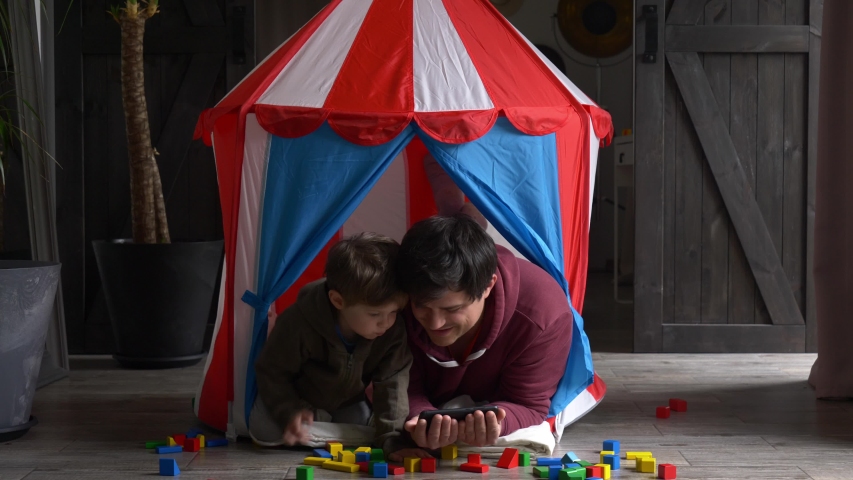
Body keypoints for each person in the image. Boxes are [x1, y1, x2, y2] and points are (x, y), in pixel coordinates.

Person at [390, 214, 573, 459]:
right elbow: (395, 382)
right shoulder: (397, 299)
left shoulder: (543, 314)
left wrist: (497, 422)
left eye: (452, 309)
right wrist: (418, 416)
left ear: (488, 286)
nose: (434, 323)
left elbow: (529, 404)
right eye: (421, 306)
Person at [250, 232, 412, 450]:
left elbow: (393, 381)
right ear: (338, 301)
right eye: (375, 315)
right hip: (299, 397)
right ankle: (315, 425)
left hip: (348, 403)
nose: (387, 323)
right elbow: (273, 371)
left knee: (373, 427)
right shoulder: (299, 322)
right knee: (264, 429)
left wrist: (392, 435)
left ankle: (322, 428)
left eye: (394, 311)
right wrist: (288, 411)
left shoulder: (393, 330)